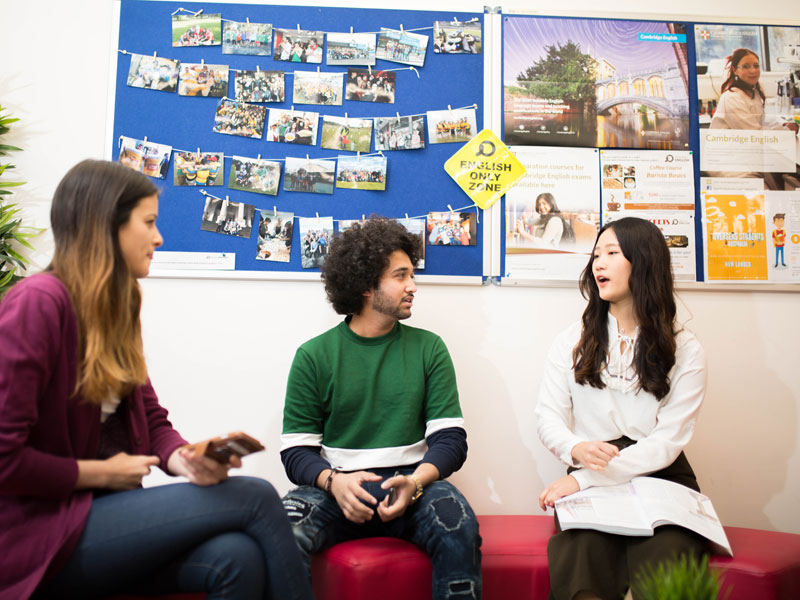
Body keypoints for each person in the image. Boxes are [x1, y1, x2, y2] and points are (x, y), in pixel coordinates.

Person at [0, 160, 313, 600]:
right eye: (148, 222)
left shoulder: (118, 306)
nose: (159, 238)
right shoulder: (38, 303)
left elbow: (152, 420)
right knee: (257, 496)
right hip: (39, 535)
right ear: (107, 223)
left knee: (235, 557)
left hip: (96, 516)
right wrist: (101, 474)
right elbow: (4, 458)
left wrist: (184, 460)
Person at [280, 217, 482, 600]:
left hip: (412, 485)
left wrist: (417, 481)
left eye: (412, 275)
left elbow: (451, 440)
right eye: (400, 276)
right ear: (367, 287)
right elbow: (296, 451)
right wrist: (333, 482)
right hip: (335, 488)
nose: (413, 286)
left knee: (458, 528)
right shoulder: (314, 356)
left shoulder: (429, 348)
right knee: (282, 531)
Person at [535, 217, 708, 600]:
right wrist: (575, 450)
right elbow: (547, 416)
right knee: (580, 559)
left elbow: (666, 443)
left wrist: (580, 479)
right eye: (596, 254)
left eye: (612, 253)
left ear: (644, 262)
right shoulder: (572, 342)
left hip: (661, 476)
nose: (599, 264)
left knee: (668, 566)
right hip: (591, 465)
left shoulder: (686, 348)